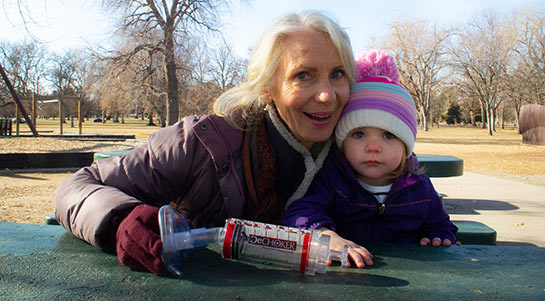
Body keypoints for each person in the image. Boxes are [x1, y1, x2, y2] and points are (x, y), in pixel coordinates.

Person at [54, 11, 356, 276]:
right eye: (303, 75)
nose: (327, 95)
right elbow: (75, 188)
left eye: (337, 74)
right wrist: (119, 220)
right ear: (266, 89)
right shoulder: (202, 143)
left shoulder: (362, 156)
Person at [283, 49, 458, 269]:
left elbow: (440, 223)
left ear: (406, 145)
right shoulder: (331, 178)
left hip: (408, 275)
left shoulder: (418, 187)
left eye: (388, 135)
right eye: (358, 134)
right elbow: (300, 213)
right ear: (342, 141)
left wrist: (439, 236)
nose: (373, 147)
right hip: (344, 273)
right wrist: (323, 236)